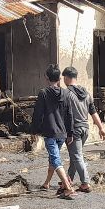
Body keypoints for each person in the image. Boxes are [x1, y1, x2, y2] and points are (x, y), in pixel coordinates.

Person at [32, 65, 77, 199]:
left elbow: (38, 114)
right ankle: (46, 183)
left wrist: (34, 130)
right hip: (62, 133)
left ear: (47, 78)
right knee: (53, 157)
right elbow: (70, 115)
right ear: (59, 78)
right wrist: (70, 133)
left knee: (56, 159)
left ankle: (68, 188)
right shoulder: (66, 93)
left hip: (50, 132)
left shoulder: (43, 93)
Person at [61, 66, 105, 194]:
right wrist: (101, 128)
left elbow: (65, 114)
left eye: (64, 77)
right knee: (75, 156)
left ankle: (85, 183)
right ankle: (68, 180)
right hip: (85, 128)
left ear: (67, 78)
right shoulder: (86, 93)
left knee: (76, 156)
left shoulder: (67, 94)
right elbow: (93, 112)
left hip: (74, 129)